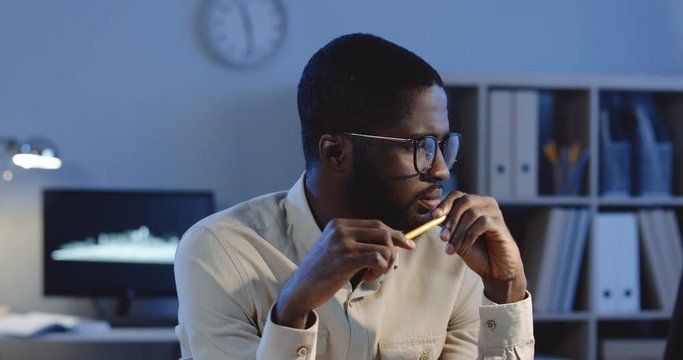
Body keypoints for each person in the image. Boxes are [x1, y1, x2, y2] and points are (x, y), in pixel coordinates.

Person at [175, 33, 534, 359]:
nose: (441, 169)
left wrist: (507, 288)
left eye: (442, 145)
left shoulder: (451, 249)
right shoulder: (218, 251)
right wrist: (293, 308)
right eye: (420, 146)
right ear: (336, 153)